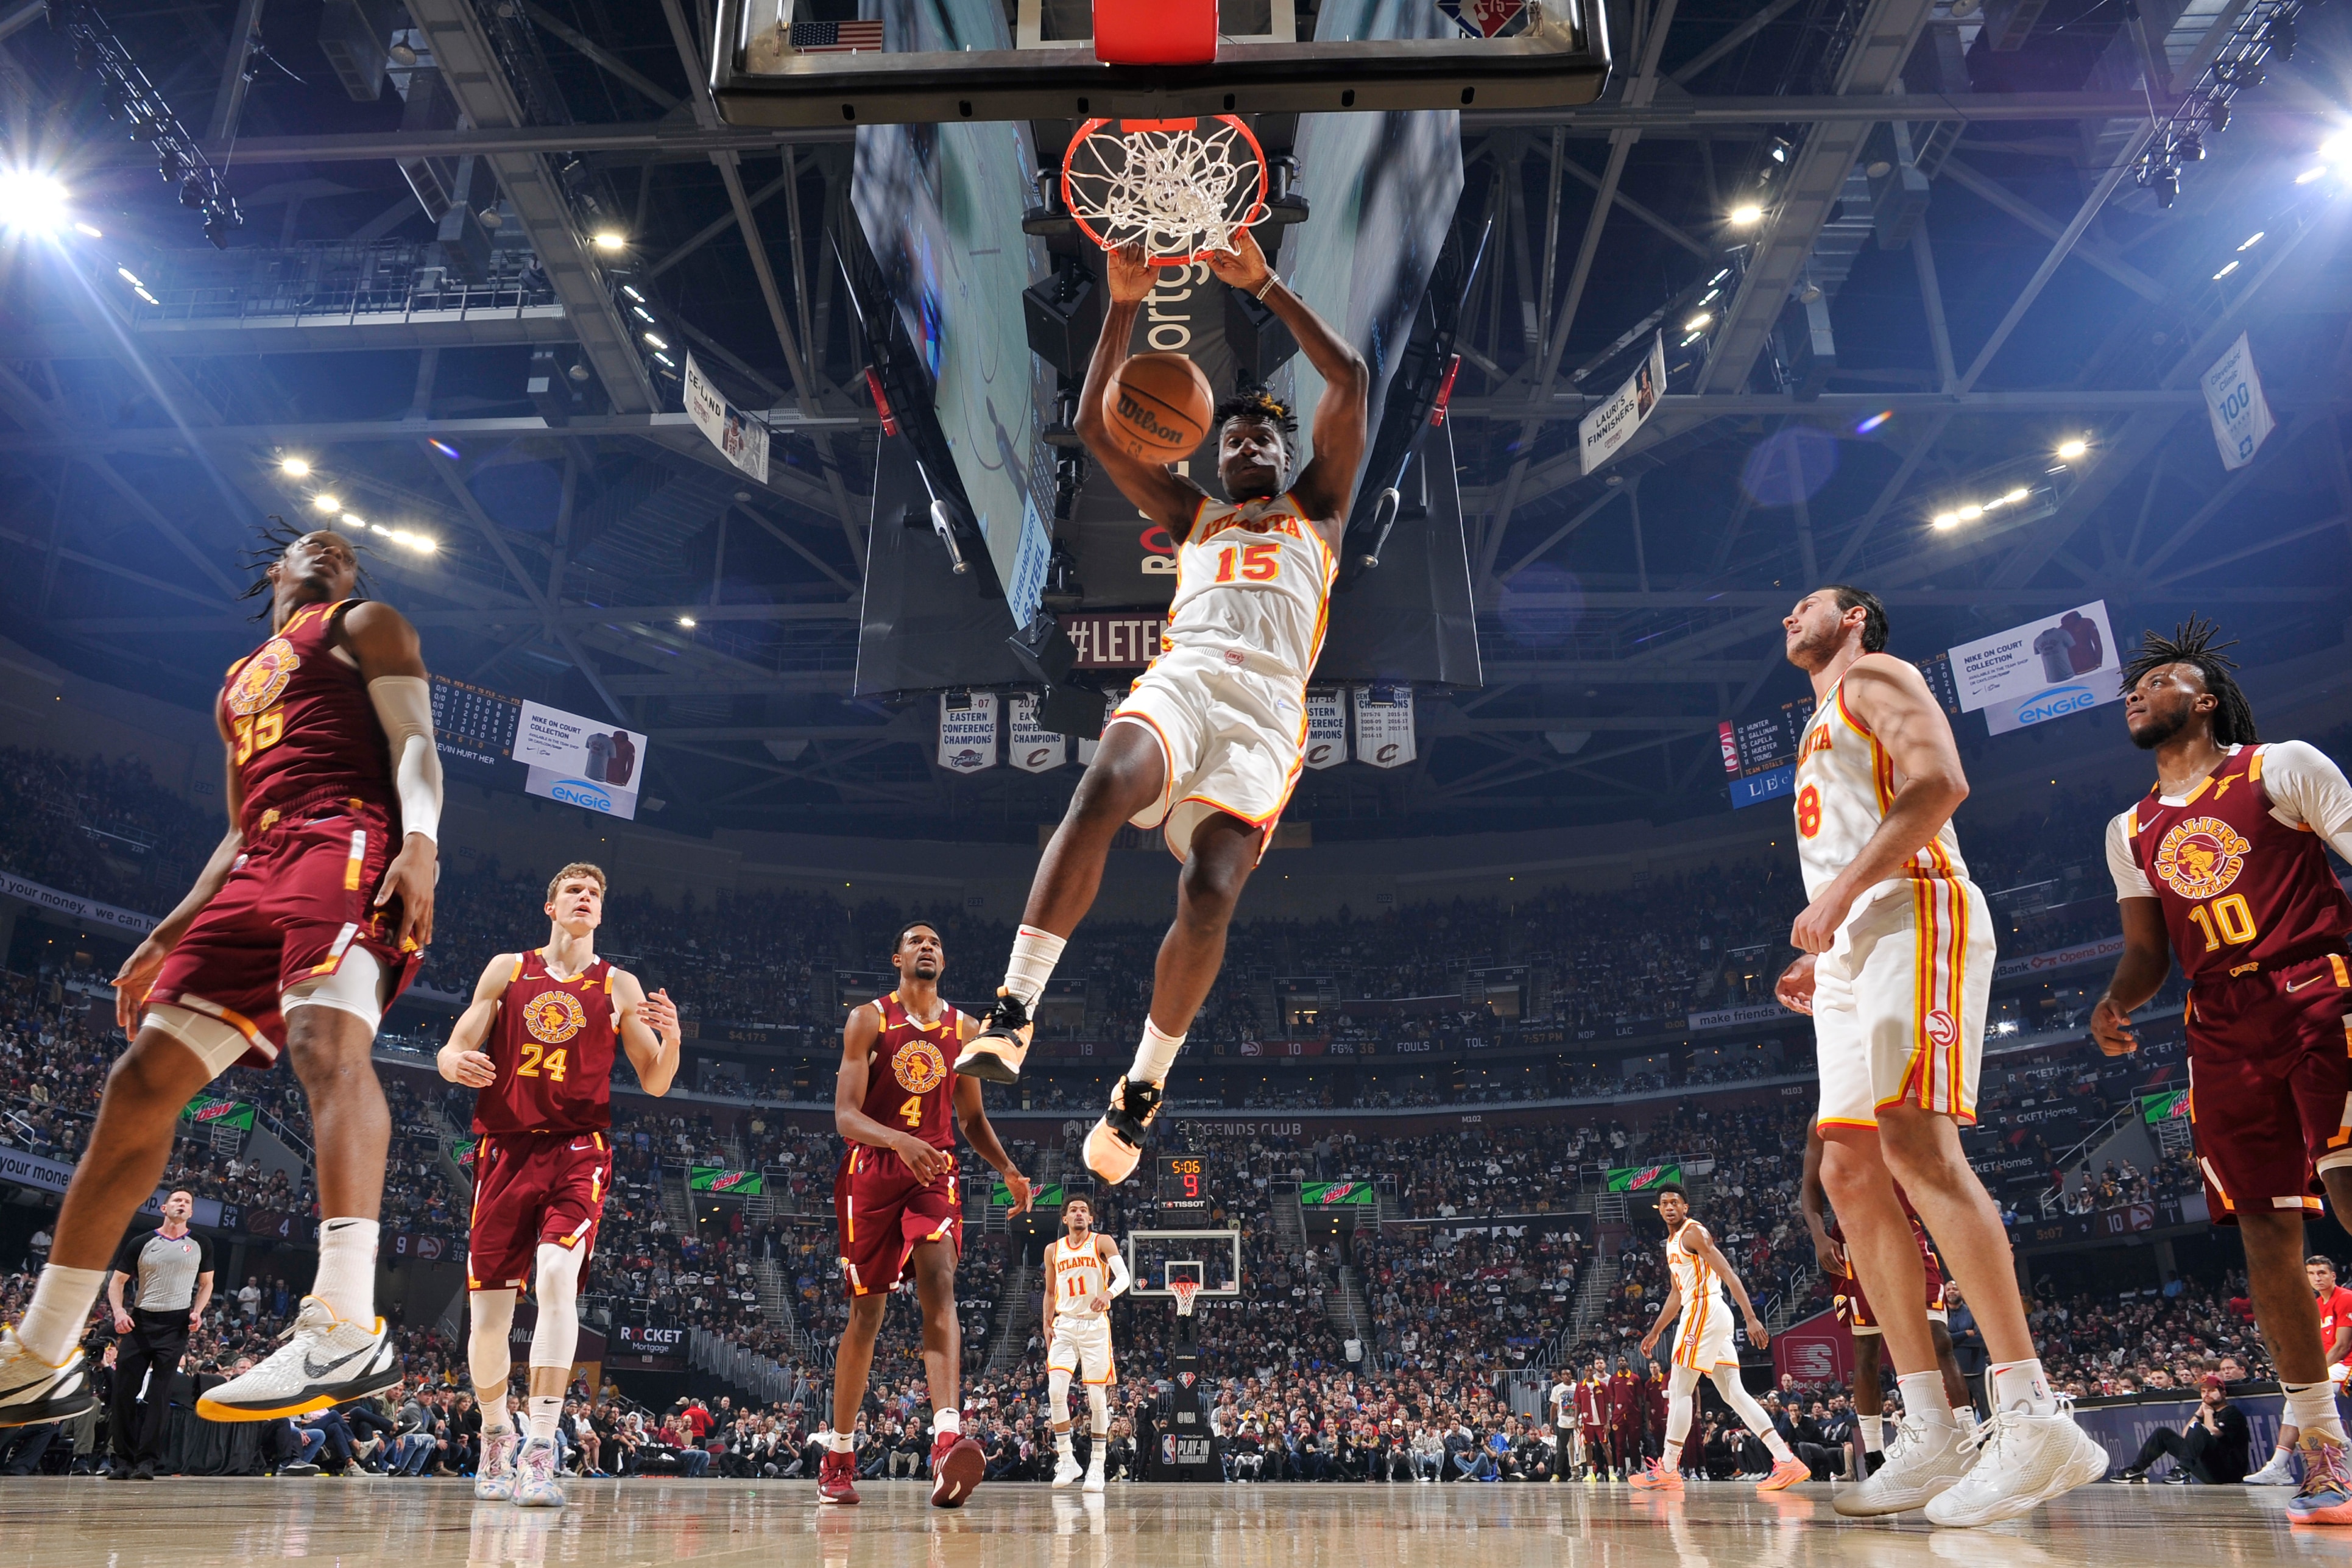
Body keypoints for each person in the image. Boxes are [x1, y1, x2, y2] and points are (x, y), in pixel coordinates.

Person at [952, 228, 1371, 1187]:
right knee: (1103, 785)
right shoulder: (1195, 516)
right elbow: (1101, 429)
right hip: (1184, 677)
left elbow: (1347, 379)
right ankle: (1013, 1010)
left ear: (1286, 448)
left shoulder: (1321, 508)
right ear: (1211, 456)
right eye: (1232, 435)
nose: (1248, 440)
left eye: (1264, 431)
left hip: (1267, 714)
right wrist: (1125, 303)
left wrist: (1264, 283)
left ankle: (1139, 1089)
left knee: (1211, 890)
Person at [0, 527, 438, 1430]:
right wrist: (169, 927)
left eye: (348, 551)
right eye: (314, 543)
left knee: (325, 1043)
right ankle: (42, 1350)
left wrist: (423, 843)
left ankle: (347, 1318)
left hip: (343, 832)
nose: (333, 550)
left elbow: (416, 745)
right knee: (138, 1083)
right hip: (257, 865)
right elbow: (240, 828)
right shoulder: (240, 681)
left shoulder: (365, 623)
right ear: (273, 571)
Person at [1774, 585, 2105, 1526]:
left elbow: (1939, 786)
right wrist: (1820, 943)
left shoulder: (1877, 674)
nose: (1786, 614)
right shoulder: (1813, 725)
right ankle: (1931, 1426)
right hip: (1851, 945)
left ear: (1856, 618)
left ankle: (2034, 1411)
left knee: (1917, 1147)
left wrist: (1837, 898)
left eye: (1805, 603)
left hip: (1916, 909)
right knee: (1846, 1170)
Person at [2090, 620, 2352, 1521]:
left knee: (2351, 1188)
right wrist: (2116, 999)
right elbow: (2146, 952)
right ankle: (2322, 1448)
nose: (2136, 691)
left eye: (2157, 680)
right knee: (2264, 1230)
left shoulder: (2279, 766)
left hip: (2315, 986)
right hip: (2218, 1025)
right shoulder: (2130, 827)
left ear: (2201, 702)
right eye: (2132, 685)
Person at [436, 861, 682, 1510]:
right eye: (574, 890)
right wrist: (450, 1061)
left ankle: (540, 1448)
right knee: (488, 1318)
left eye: (595, 893)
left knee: (554, 1278)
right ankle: (495, 1432)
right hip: (506, 1148)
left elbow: (655, 1080)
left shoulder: (617, 984)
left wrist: (672, 1039)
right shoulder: (508, 969)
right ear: (551, 907)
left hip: (579, 1149)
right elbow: (456, 1040)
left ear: (601, 913)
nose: (585, 898)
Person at [822, 922, 1032, 1508]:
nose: (927, 947)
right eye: (916, 941)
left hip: (933, 1173)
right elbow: (844, 1117)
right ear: (897, 957)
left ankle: (945, 1437)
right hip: (872, 1172)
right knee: (867, 1316)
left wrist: (1007, 1168)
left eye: (937, 942)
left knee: (939, 1282)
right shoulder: (870, 1019)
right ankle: (838, 1454)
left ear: (944, 959)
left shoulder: (965, 1029)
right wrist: (897, 1142)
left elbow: (969, 1120)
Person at [1799, 1126, 1976, 1475]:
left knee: (1939, 1339)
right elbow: (1810, 1185)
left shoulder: (1892, 1105)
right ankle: (1875, 1456)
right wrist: (1819, 1235)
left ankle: (1970, 1438)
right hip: (1853, 1236)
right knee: (1867, 1352)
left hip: (1906, 1227)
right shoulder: (1823, 1119)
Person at [1630, 1183, 1806, 1493]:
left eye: (1675, 1202)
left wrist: (1751, 1317)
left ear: (1686, 1207)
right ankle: (1786, 1460)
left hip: (1704, 1310)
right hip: (1705, 1312)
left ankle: (1669, 1469)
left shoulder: (1693, 1233)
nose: (1669, 1207)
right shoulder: (1672, 1242)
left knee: (1679, 1388)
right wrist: (1656, 1330)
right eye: (1664, 1203)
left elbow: (1729, 1274)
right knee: (1733, 1393)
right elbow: (1675, 1293)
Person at [102, 1189, 213, 1479]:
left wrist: (197, 1312)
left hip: (175, 1325)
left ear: (191, 1212)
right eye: (177, 1200)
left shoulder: (201, 1243)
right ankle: (123, 1460)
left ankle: (147, 1461)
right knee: (124, 1392)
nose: (182, 1204)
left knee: (160, 1395)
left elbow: (207, 1285)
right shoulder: (142, 1242)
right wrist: (119, 1313)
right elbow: (117, 1282)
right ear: (164, 1208)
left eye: (187, 1202)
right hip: (140, 1321)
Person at [1042, 1195, 1129, 1492]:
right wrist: (1046, 1323)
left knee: (1096, 1398)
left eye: (1083, 1210)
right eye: (1073, 1210)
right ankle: (1067, 1460)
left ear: (1091, 1218)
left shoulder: (1102, 1242)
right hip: (1064, 1324)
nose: (1078, 1214)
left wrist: (1107, 1295)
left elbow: (1125, 1277)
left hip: (1094, 1326)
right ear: (1065, 1219)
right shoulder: (1053, 1250)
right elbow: (1050, 1292)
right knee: (1055, 1390)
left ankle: (1096, 1465)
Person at [2111, 1375, 2252, 1484]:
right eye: (2203, 1391)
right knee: (2163, 1433)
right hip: (2208, 1470)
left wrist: (2208, 1413)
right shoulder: (2204, 1414)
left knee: (2197, 1428)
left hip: (2229, 1472)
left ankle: (2182, 1471)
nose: (2206, 1394)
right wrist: (2198, 1414)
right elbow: (2186, 1435)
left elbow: (2213, 1432)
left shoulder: (2231, 1412)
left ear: (2223, 1393)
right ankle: (2136, 1470)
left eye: (2211, 1390)